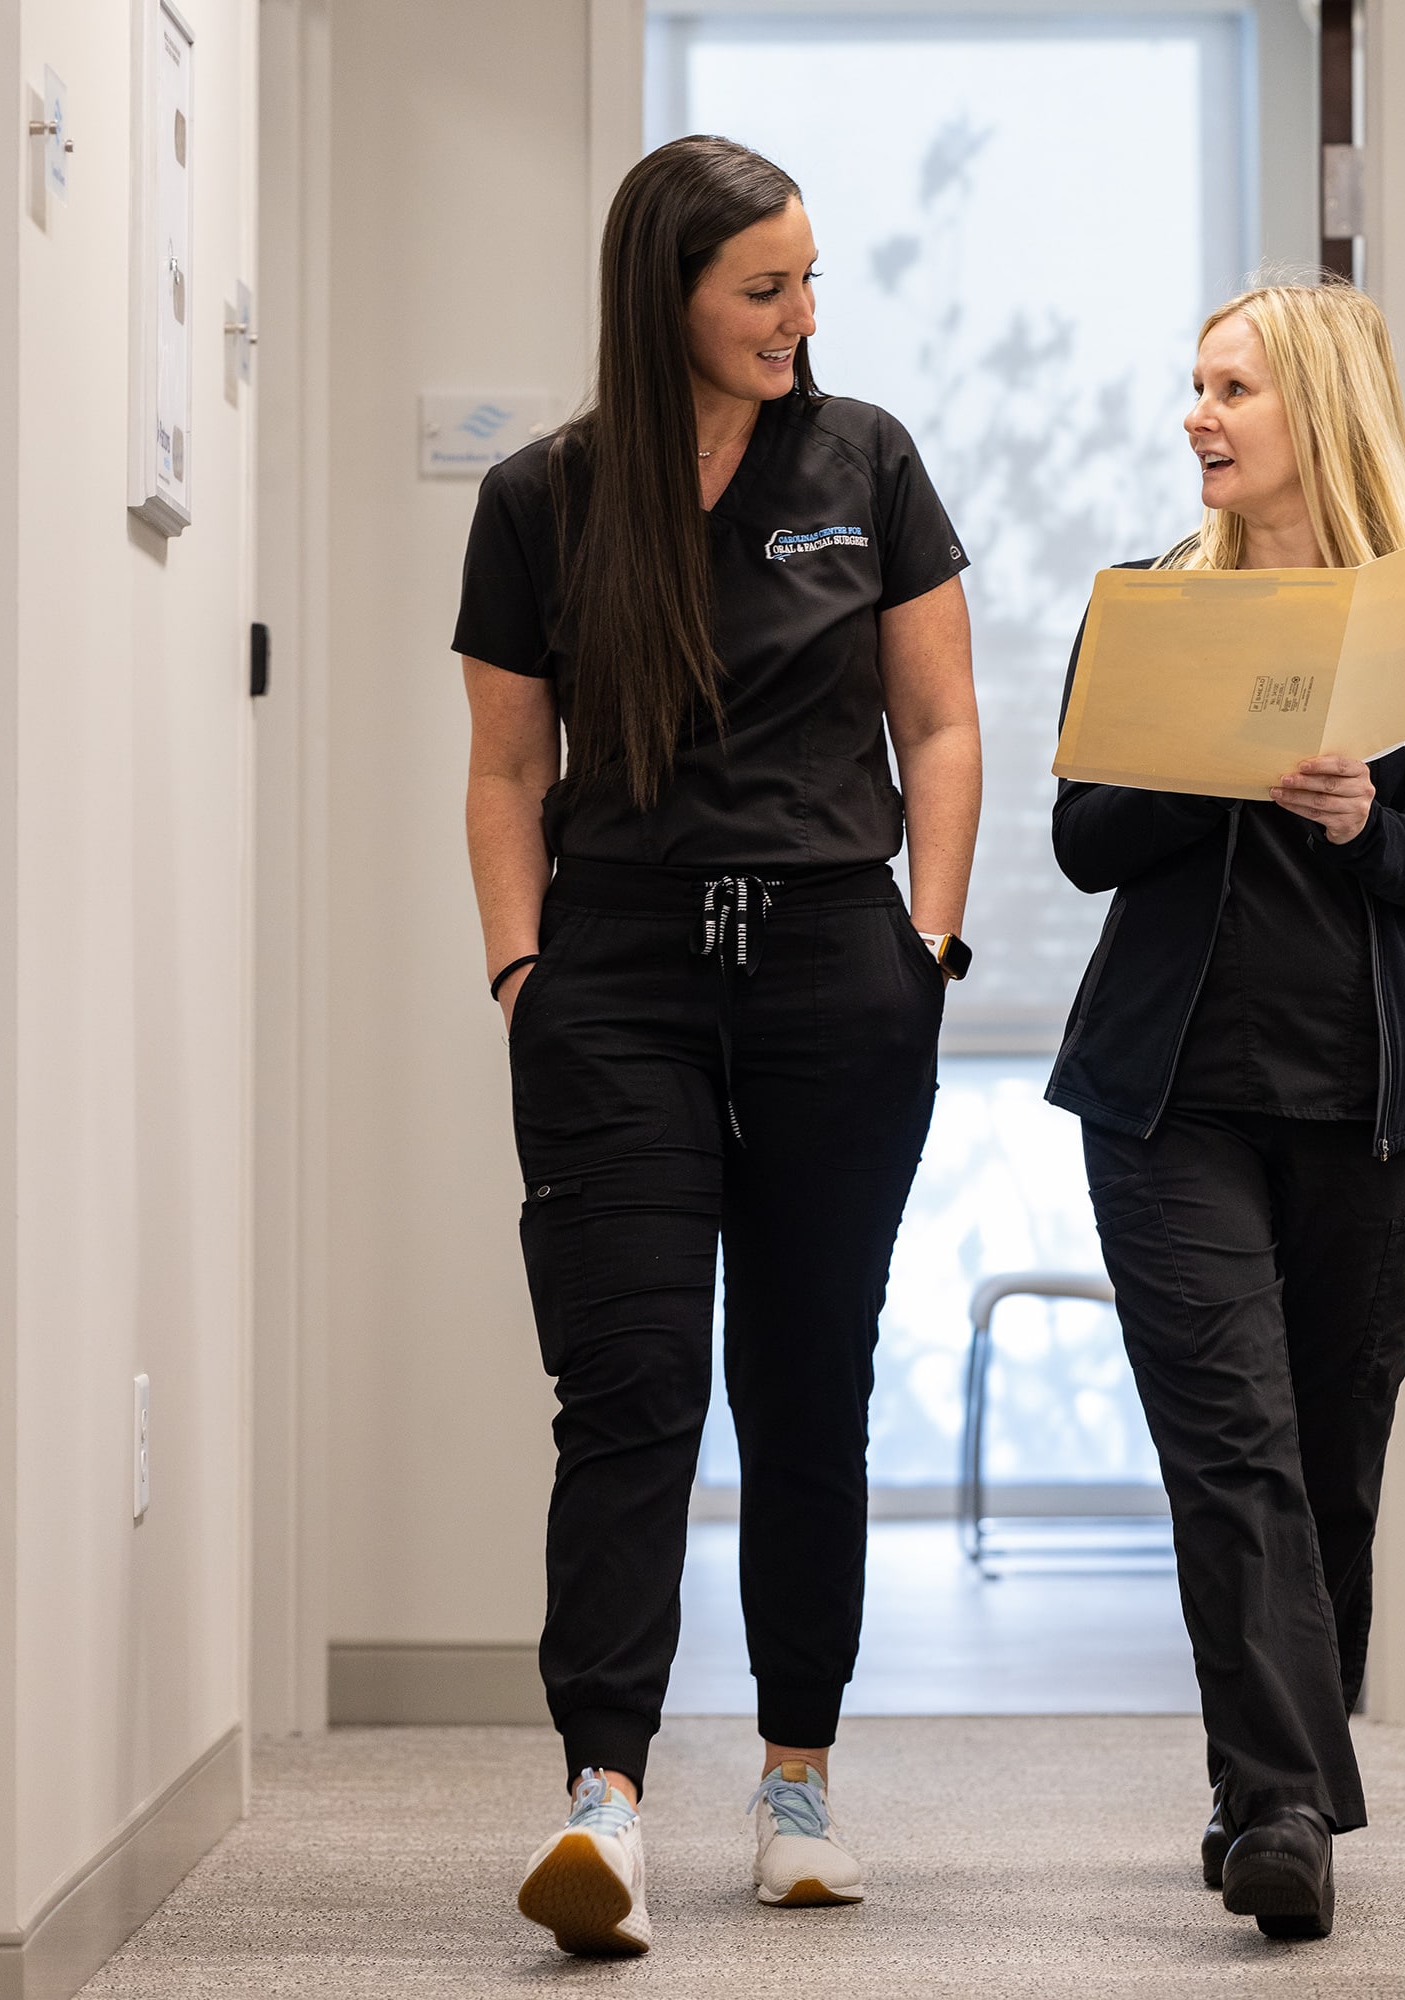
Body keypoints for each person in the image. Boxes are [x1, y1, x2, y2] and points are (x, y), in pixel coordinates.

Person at [453, 135, 980, 1956]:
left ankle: (797, 1783)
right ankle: (601, 1796)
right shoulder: (543, 498)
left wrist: (927, 941)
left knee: (809, 1389)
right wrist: (523, 974)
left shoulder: (867, 465)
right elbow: (511, 767)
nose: (800, 316)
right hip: (618, 985)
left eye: (811, 281)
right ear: (665, 292)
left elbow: (942, 726)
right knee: (628, 1392)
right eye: (765, 287)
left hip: (838, 972)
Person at [1047, 281, 1405, 1940]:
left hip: (1373, 1109)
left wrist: (1361, 818)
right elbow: (1085, 835)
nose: (1198, 415)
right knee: (1233, 1450)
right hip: (1170, 1105)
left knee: (1334, 1468)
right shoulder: (1149, 604)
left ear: (1314, 407)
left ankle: (1274, 1779)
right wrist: (1217, 769)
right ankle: (1281, 1805)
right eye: (1194, 385)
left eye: (1231, 387)